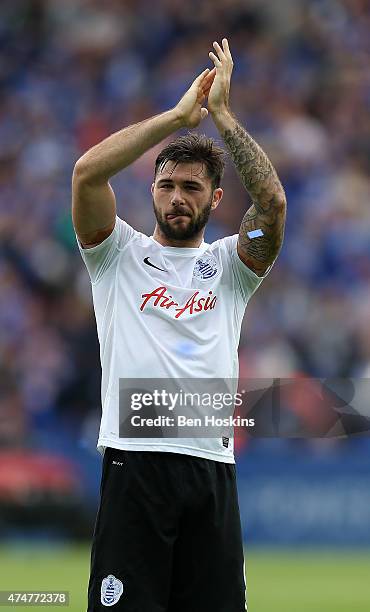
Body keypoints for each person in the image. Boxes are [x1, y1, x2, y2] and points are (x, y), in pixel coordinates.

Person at [72, 38, 286, 612]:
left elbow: (272, 206)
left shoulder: (229, 268)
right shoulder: (115, 254)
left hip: (210, 470)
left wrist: (223, 117)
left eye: (192, 187)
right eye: (167, 185)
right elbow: (87, 174)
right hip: (134, 465)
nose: (177, 197)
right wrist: (174, 118)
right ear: (152, 191)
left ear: (215, 198)